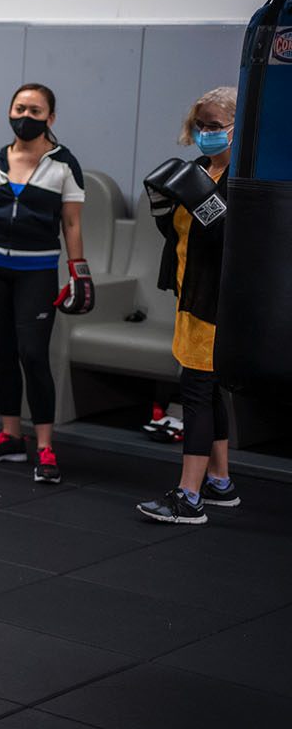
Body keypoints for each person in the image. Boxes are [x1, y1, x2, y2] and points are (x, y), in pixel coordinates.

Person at [0, 85, 91, 483]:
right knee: (3, 352)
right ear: (9, 111)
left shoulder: (64, 165)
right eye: (20, 107)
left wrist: (79, 270)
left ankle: (45, 446)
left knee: (33, 354)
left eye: (35, 110)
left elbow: (71, 222)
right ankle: (10, 436)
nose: (26, 115)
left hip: (36, 272)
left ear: (50, 119)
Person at [136, 87, 239, 525]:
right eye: (201, 125)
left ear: (238, 128)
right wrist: (162, 207)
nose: (205, 133)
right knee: (207, 390)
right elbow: (181, 235)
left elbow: (235, 241)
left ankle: (189, 496)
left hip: (218, 301)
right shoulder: (195, 170)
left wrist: (207, 203)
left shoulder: (246, 176)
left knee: (195, 392)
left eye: (215, 126)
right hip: (188, 294)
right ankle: (220, 483)